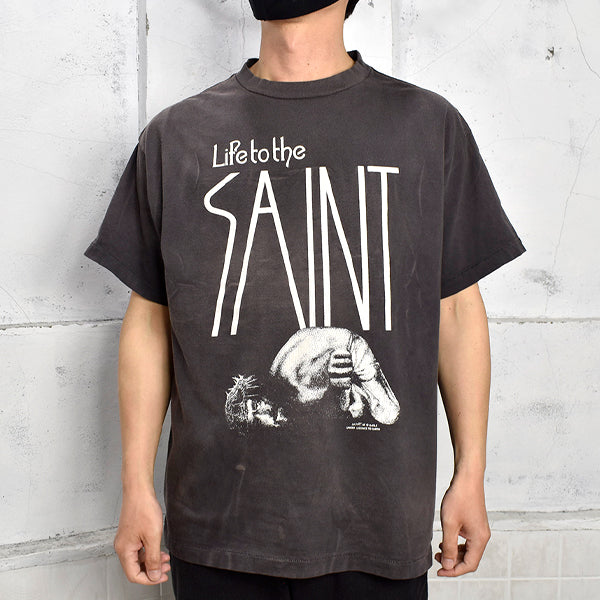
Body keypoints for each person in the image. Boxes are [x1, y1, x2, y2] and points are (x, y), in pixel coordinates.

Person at [83, 0, 526, 598]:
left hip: (377, 526)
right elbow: (149, 321)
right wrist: (136, 485)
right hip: (219, 528)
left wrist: (470, 472)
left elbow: (456, 310)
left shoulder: (426, 125)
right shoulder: (178, 135)